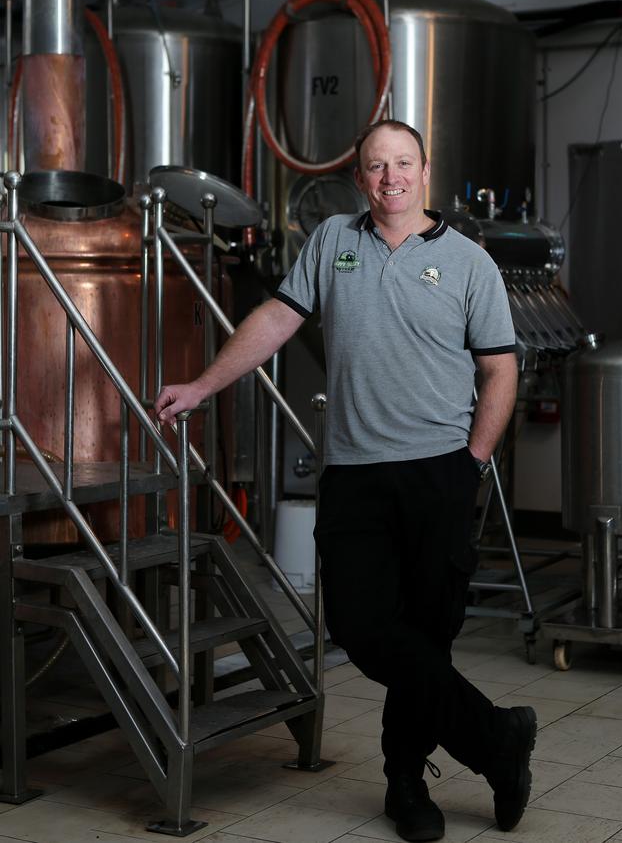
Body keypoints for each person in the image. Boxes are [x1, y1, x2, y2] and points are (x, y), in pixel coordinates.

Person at [155, 120, 536, 843]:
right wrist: (204, 385)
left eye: (402, 164)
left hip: (439, 473)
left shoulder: (468, 263)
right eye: (374, 166)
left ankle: (405, 786)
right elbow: (276, 317)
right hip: (355, 474)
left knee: (425, 636)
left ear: (426, 170)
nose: (389, 178)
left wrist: (473, 464)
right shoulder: (333, 241)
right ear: (360, 177)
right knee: (366, 630)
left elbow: (500, 368)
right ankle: (499, 740)